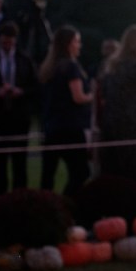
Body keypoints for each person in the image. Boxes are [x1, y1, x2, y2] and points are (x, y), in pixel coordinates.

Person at [96, 24, 136, 188]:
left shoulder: (112, 66)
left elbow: (103, 92)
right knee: (133, 171)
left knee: (112, 171)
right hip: (132, 124)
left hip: (110, 122)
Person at [0, 21, 39, 193]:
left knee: (20, 163)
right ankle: (0, 199)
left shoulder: (25, 59)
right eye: (4, 41)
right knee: (0, 164)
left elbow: (35, 86)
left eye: (10, 42)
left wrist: (20, 91)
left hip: (19, 118)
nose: (7, 45)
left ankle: (19, 198)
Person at [38, 26, 94, 196]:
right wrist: (93, 95)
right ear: (69, 44)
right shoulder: (70, 67)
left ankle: (44, 206)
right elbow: (78, 97)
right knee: (81, 172)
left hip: (51, 126)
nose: (79, 45)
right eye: (77, 41)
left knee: (48, 174)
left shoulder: (49, 68)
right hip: (70, 127)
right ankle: (66, 203)